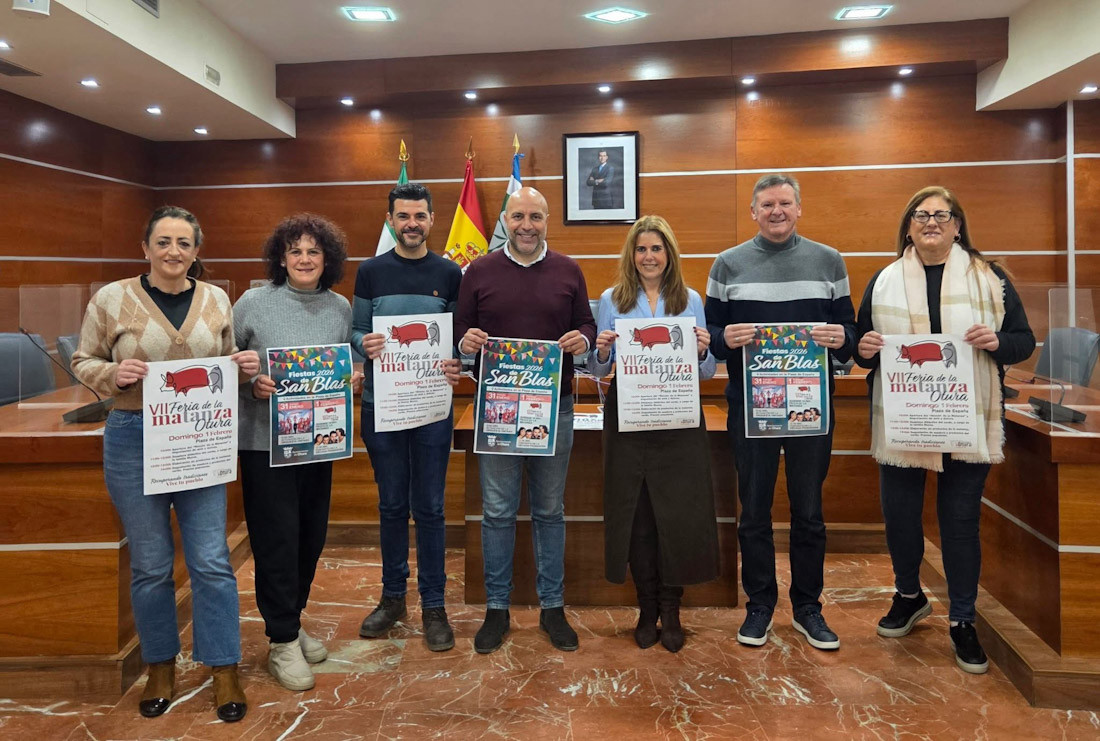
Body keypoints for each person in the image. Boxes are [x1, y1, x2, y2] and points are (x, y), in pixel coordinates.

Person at [71, 206, 259, 722]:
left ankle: (224, 667)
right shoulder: (111, 298)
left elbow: (227, 365)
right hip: (133, 439)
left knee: (211, 560)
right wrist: (114, 373)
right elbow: (82, 361)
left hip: (200, 440)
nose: (173, 252)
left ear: (197, 251)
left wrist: (244, 366)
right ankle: (159, 664)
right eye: (163, 242)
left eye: (183, 243)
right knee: (152, 564)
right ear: (145, 248)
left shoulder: (217, 298)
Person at [854, 186, 1034, 674]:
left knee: (958, 524)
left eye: (941, 215)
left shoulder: (989, 278)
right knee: (900, 516)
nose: (931, 222)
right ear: (908, 227)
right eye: (921, 215)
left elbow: (1023, 342)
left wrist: (997, 340)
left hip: (964, 420)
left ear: (958, 225)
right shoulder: (885, 279)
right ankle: (908, 596)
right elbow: (857, 345)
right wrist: (864, 346)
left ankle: (961, 619)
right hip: (903, 420)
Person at [705, 173, 856, 651]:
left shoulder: (829, 261)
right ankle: (760, 605)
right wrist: (722, 339)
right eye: (767, 204)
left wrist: (842, 340)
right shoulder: (727, 264)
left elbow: (851, 332)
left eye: (785, 203)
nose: (776, 211)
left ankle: (809, 607)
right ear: (753, 211)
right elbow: (708, 333)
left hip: (812, 409)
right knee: (754, 512)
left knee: (809, 511)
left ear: (798, 209)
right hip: (750, 410)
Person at [455, 186, 597, 654]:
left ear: (548, 219)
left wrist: (584, 340)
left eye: (536, 216)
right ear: (505, 220)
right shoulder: (477, 270)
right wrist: (466, 344)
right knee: (496, 512)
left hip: (554, 408)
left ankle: (552, 607)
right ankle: (496, 610)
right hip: (497, 410)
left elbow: (589, 326)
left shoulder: (568, 269)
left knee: (549, 511)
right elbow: (459, 334)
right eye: (518, 216)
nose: (527, 225)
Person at [234, 213, 358, 691]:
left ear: (327, 259)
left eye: (313, 251)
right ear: (280, 259)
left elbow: (347, 361)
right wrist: (251, 383)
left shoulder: (339, 308)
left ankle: (292, 617)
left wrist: (354, 374)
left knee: (311, 536)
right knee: (277, 541)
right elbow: (225, 361)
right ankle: (281, 639)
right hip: (264, 444)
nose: (304, 259)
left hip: (317, 442)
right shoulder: (252, 303)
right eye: (295, 251)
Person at [588, 215, 719, 653]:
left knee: (676, 517)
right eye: (641, 249)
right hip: (629, 420)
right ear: (632, 254)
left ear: (669, 254)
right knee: (638, 518)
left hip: (678, 419)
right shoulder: (611, 299)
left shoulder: (691, 299)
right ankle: (646, 607)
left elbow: (703, 371)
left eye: (656, 249)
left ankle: (672, 606)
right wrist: (602, 350)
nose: (648, 256)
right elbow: (598, 369)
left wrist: (704, 351)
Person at [352, 183, 463, 651]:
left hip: (433, 409)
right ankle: (393, 596)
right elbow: (356, 329)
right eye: (403, 216)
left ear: (432, 220)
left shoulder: (450, 272)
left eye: (420, 215)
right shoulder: (370, 272)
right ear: (391, 219)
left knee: (431, 508)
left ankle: (433, 604)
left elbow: (458, 338)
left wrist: (456, 359)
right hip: (382, 408)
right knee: (392, 505)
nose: (412, 223)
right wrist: (364, 344)